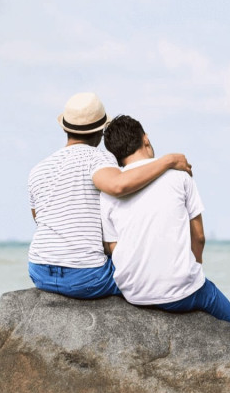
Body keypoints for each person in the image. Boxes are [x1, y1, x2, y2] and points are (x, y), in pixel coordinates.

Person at [99, 114, 230, 338]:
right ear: (145, 139)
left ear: (116, 155)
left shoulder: (108, 192)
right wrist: (192, 269)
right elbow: (199, 236)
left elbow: (113, 247)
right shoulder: (179, 177)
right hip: (183, 292)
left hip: (134, 294)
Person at [28, 93, 192, 299]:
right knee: (146, 279)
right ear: (100, 132)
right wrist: (169, 161)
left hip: (39, 271)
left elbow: (39, 218)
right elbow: (118, 185)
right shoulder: (98, 158)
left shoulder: (38, 169)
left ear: (65, 128)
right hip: (86, 276)